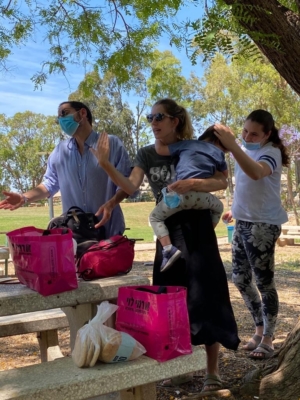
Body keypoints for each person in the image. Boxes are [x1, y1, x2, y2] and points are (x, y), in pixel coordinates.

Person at [93, 98, 240, 392]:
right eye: (150, 117)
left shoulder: (196, 147)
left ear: (175, 120)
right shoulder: (147, 154)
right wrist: (106, 164)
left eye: (159, 116)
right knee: (170, 301)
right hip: (168, 234)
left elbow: (220, 182)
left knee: (207, 296)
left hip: (198, 228)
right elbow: (131, 186)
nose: (153, 122)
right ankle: (179, 367)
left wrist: (194, 185)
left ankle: (212, 371)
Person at [214, 109, 289, 360]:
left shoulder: (271, 152)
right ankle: (259, 329)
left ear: (267, 134)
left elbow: (256, 173)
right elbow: (246, 185)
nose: (247, 136)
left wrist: (233, 144)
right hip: (243, 222)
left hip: (263, 226)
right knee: (240, 279)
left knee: (264, 283)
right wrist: (235, 209)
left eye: (254, 133)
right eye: (245, 130)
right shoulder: (245, 149)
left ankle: (269, 338)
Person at [0, 101, 132, 238]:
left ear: (82, 113)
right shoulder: (59, 151)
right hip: (75, 237)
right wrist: (24, 197)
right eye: (59, 118)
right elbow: (49, 184)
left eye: (64, 113)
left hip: (109, 234)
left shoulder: (112, 144)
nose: (61, 120)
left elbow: (127, 184)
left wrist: (112, 203)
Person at [150, 126, 228, 272]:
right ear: (219, 141)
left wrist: (158, 135)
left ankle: (168, 249)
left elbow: (160, 149)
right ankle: (208, 231)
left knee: (155, 217)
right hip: (202, 197)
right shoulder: (219, 153)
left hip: (182, 196)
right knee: (219, 208)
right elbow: (225, 175)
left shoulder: (187, 144)